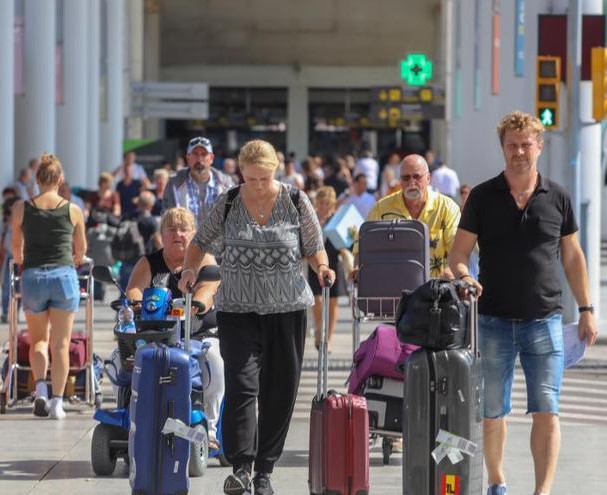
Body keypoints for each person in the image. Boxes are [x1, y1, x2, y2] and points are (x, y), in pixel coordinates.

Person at [448, 111, 598, 495]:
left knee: (547, 409)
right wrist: (466, 277)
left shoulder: (558, 197)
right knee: (492, 412)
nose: (519, 151)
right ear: (503, 148)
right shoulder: (483, 196)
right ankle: (497, 481)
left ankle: (541, 490)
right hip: (493, 319)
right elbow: (458, 254)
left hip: (544, 320)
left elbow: (573, 257)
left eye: (525, 144)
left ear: (539, 146)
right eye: (512, 145)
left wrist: (586, 309)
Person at [179, 139, 334, 495]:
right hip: (237, 310)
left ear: (274, 172)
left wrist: (323, 268)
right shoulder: (230, 201)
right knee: (242, 385)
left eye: (264, 178)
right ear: (241, 174)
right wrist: (190, 270)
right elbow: (200, 242)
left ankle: (265, 470)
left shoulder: (295, 201)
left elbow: (314, 248)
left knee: (280, 391)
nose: (259, 185)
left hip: (288, 310)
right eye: (251, 179)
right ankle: (242, 466)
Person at [125, 207, 223, 450]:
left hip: (198, 333)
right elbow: (134, 289)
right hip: (157, 332)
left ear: (193, 233)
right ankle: (134, 418)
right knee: (123, 358)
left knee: (215, 361)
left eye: (183, 229)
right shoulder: (150, 262)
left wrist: (198, 303)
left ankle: (209, 428)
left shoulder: (204, 260)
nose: (177, 234)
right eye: (171, 229)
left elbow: (209, 288)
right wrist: (137, 302)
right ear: (162, 235)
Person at [11, 153, 87, 420]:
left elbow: (16, 249)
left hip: (33, 277)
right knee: (61, 343)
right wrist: (75, 259)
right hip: (64, 277)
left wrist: (23, 261)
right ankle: (57, 402)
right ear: (60, 179)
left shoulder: (22, 208)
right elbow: (81, 250)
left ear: (37, 178)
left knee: (38, 341)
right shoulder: (72, 209)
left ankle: (40, 388)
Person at [356, 154, 461, 279]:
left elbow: (457, 247)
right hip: (392, 289)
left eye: (417, 177)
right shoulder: (381, 208)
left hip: (436, 290)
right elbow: (363, 246)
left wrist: (452, 269)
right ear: (400, 181)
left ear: (428, 178)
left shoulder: (447, 207)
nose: (412, 182)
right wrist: (357, 268)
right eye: (406, 178)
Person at [163, 136, 236, 228]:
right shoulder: (174, 184)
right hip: (186, 240)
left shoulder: (226, 184)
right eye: (195, 154)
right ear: (188, 158)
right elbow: (166, 220)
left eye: (204, 154)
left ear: (211, 158)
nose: (199, 159)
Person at [309, 187, 348, 352]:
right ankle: (319, 329)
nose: (324, 206)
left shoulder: (337, 220)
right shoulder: (311, 220)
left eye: (327, 203)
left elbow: (346, 244)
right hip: (315, 264)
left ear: (332, 204)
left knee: (333, 302)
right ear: (317, 203)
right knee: (316, 300)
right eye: (321, 203)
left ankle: (329, 338)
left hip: (334, 262)